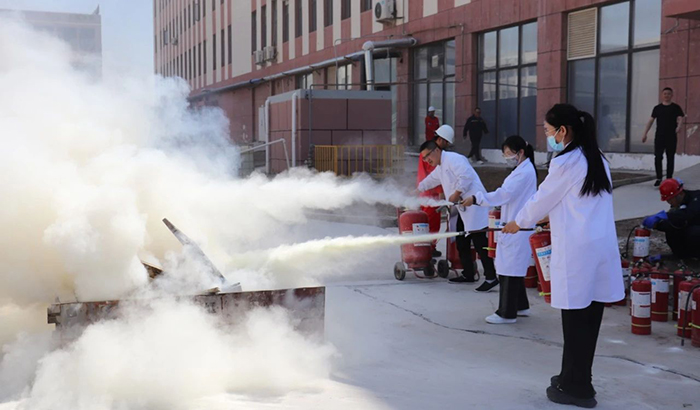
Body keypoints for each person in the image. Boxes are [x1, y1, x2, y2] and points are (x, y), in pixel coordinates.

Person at [502, 104, 624, 408]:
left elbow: (542, 198)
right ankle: (575, 376)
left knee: (575, 320)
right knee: (589, 318)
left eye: (548, 131)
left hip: (578, 251)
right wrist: (549, 217)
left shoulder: (566, 161)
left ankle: (577, 388)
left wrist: (518, 221)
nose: (548, 137)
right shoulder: (597, 158)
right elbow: (577, 200)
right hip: (599, 249)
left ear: (563, 131)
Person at [460, 135, 538, 324]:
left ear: (520, 152)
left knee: (508, 268)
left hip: (516, 227)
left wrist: (477, 198)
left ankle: (506, 313)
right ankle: (521, 306)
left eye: (509, 154)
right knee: (513, 266)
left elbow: (504, 194)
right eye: (505, 155)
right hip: (515, 225)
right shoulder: (524, 169)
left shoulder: (523, 173)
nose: (507, 158)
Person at [417, 140, 498, 291]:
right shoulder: (440, 167)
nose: (427, 160)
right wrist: (418, 189)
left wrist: (456, 193)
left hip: (475, 206)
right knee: (461, 240)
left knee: (480, 243)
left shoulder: (454, 159)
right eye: (424, 158)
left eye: (428, 156)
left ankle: (491, 277)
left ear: (436, 150)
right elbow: (431, 180)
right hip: (462, 209)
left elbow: (466, 176)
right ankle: (468, 273)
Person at [642, 178, 700, 259]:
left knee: (694, 232)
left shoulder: (697, 197)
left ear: (679, 194)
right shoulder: (677, 206)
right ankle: (681, 255)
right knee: (671, 228)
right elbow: (674, 221)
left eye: (670, 199)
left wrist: (664, 215)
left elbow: (689, 214)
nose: (669, 202)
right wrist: (657, 225)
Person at [642, 87, 685, 186]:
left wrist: (679, 127)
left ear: (672, 95)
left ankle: (669, 178)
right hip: (660, 136)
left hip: (671, 136)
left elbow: (680, 118)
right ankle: (659, 177)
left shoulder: (675, 107)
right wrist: (645, 134)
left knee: (670, 157)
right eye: (665, 94)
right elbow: (650, 121)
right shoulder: (657, 108)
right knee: (658, 157)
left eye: (668, 94)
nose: (666, 95)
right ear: (662, 95)